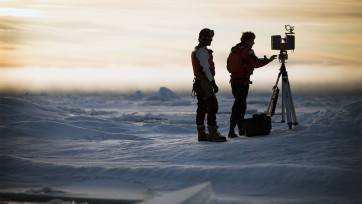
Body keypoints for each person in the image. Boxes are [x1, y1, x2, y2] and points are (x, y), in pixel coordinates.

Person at [228, 31, 277, 138]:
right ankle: (231, 131)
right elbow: (255, 63)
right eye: (252, 40)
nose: (253, 43)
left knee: (240, 105)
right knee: (238, 106)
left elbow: (228, 67)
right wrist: (268, 60)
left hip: (234, 82)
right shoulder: (247, 51)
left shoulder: (234, 50)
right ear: (248, 40)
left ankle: (241, 129)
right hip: (243, 82)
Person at [191, 28, 226, 142]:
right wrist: (213, 83)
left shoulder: (199, 50)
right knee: (212, 106)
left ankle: (202, 134)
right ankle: (212, 133)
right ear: (205, 37)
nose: (211, 40)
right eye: (210, 37)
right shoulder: (202, 52)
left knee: (202, 107)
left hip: (199, 82)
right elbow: (206, 69)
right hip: (204, 82)